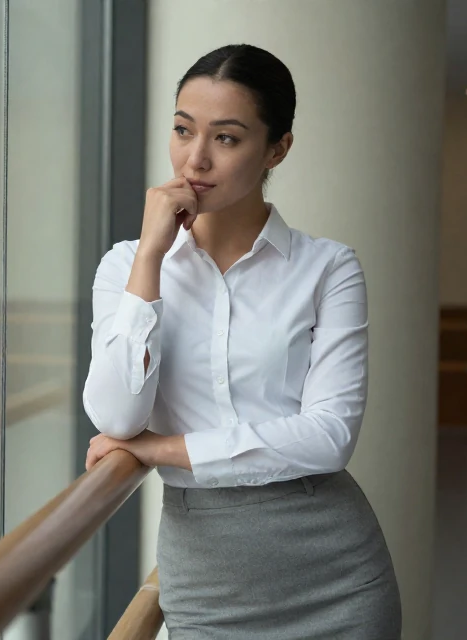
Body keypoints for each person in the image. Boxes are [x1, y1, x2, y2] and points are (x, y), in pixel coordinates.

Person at [83, 44, 401, 639]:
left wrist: (166, 449)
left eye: (226, 138)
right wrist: (152, 256)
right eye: (183, 130)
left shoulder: (328, 268)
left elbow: (330, 437)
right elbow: (116, 416)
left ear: (277, 148)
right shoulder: (126, 268)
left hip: (335, 573)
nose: (194, 159)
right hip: (207, 582)